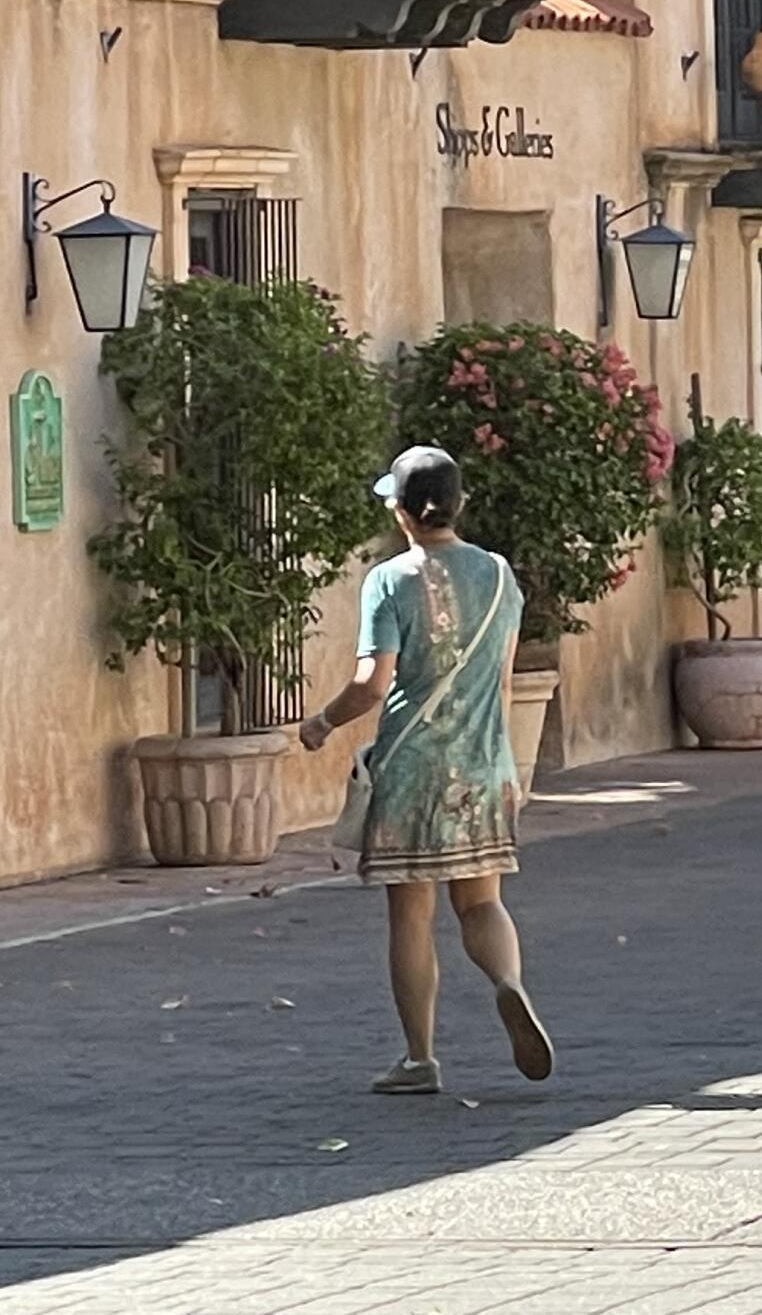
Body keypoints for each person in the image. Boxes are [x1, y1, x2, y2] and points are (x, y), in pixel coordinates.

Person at [301, 445, 555, 1095]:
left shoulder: (389, 580)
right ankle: (508, 983)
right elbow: (499, 682)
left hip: (413, 768)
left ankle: (420, 1058)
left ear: (401, 512)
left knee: (411, 916)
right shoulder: (500, 576)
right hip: (483, 764)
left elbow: (371, 683)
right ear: (459, 504)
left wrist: (323, 722)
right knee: (482, 901)